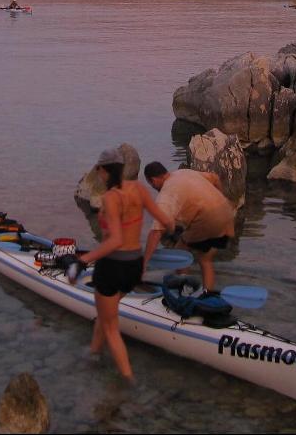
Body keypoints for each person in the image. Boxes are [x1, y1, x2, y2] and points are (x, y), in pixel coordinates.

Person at [69, 147, 174, 380]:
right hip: (134, 267)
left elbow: (115, 240)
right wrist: (175, 232)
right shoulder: (139, 189)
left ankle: (128, 380)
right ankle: (94, 352)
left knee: (111, 327)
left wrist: (82, 260)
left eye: (98, 169)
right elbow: (165, 219)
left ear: (103, 171)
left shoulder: (110, 198)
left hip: (112, 268)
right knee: (105, 313)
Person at [142, 162, 235, 293]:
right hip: (227, 213)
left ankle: (184, 290)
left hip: (208, 218)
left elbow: (156, 233)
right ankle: (208, 294)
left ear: (153, 179)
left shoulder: (166, 194)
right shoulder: (184, 172)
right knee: (205, 258)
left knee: (181, 250)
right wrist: (222, 197)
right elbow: (215, 178)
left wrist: (144, 263)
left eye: (151, 184)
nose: (153, 187)